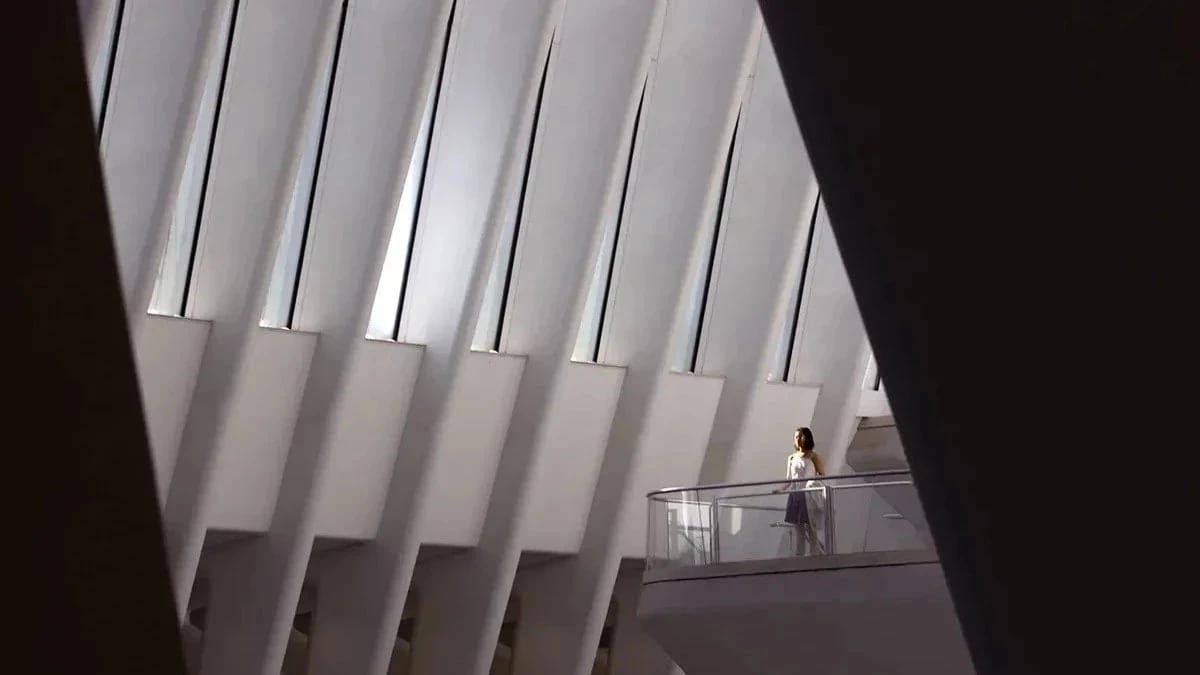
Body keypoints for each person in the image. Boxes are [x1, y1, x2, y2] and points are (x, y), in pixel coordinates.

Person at [781, 427, 826, 555]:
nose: (798, 439)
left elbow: (823, 474)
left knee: (812, 530)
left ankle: (814, 556)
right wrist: (780, 490)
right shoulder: (791, 458)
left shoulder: (813, 456)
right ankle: (799, 558)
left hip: (808, 496)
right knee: (798, 531)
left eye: (800, 436)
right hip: (795, 496)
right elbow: (789, 479)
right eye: (796, 437)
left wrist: (813, 484)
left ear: (807, 438)